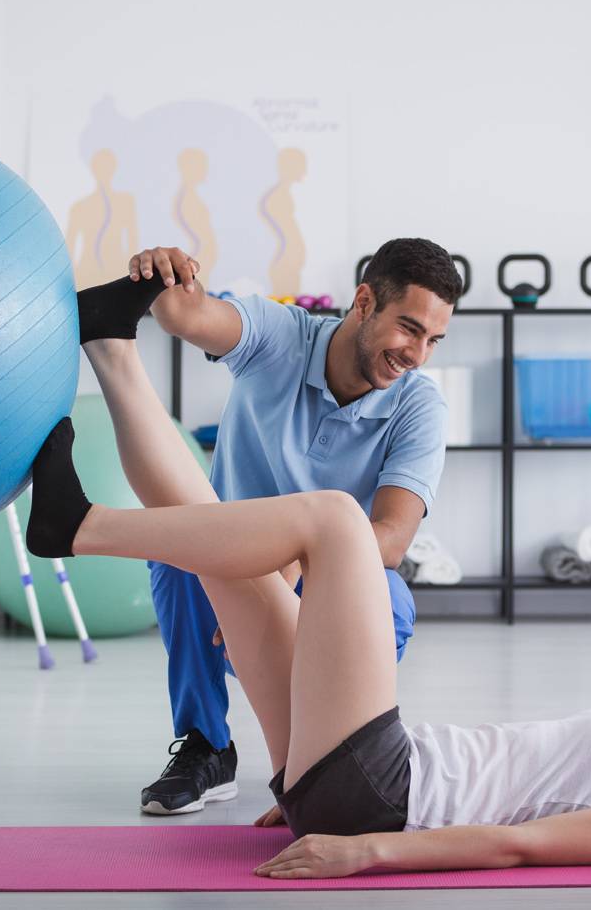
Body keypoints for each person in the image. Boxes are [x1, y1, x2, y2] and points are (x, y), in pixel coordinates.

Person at [24, 279, 591, 879]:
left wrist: (361, 850)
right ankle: (109, 345)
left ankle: (80, 528)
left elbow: (521, 844)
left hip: (382, 788)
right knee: (210, 540)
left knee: (336, 518)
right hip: (359, 775)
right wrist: (313, 803)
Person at [117, 239, 461, 817]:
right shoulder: (280, 336)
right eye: (408, 329)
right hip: (218, 565)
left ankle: (319, 746)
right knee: (174, 551)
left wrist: (294, 559)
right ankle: (207, 746)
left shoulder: (419, 406)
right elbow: (190, 316)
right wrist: (166, 281)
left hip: (314, 581)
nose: (417, 354)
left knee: (392, 604)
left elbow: (393, 539)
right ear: (364, 301)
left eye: (433, 340)